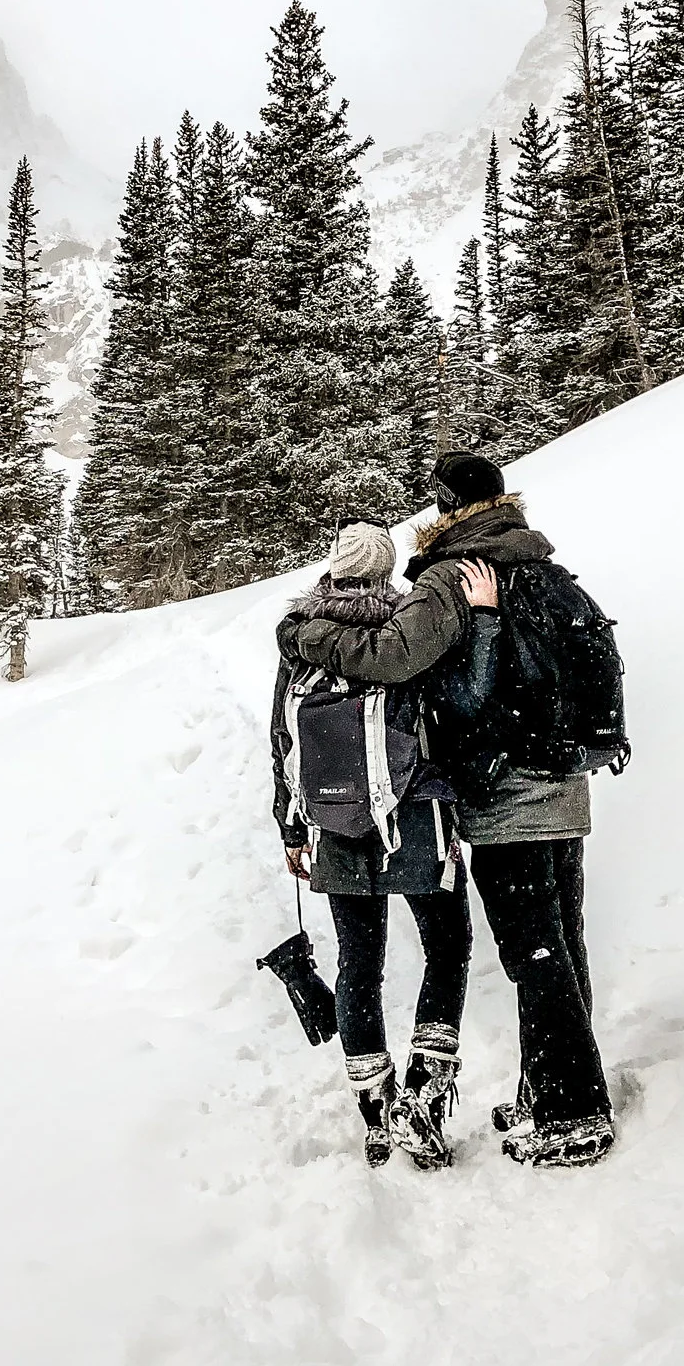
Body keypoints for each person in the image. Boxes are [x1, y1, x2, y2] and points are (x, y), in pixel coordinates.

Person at [287, 453, 615, 1170]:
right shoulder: (542, 567)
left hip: (505, 796)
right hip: (565, 782)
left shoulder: (453, 575)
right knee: (561, 942)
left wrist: (303, 634)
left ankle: (573, 1113)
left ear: (444, 507)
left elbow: (397, 657)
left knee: (535, 954)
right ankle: (547, 1086)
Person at [269, 520, 500, 1168]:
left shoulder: (300, 639)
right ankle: (424, 1095)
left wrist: (291, 823)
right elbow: (454, 713)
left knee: (358, 962)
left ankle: (376, 1111)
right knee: (448, 944)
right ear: (386, 568)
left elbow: (282, 735)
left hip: (336, 823)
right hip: (416, 814)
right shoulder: (405, 631)